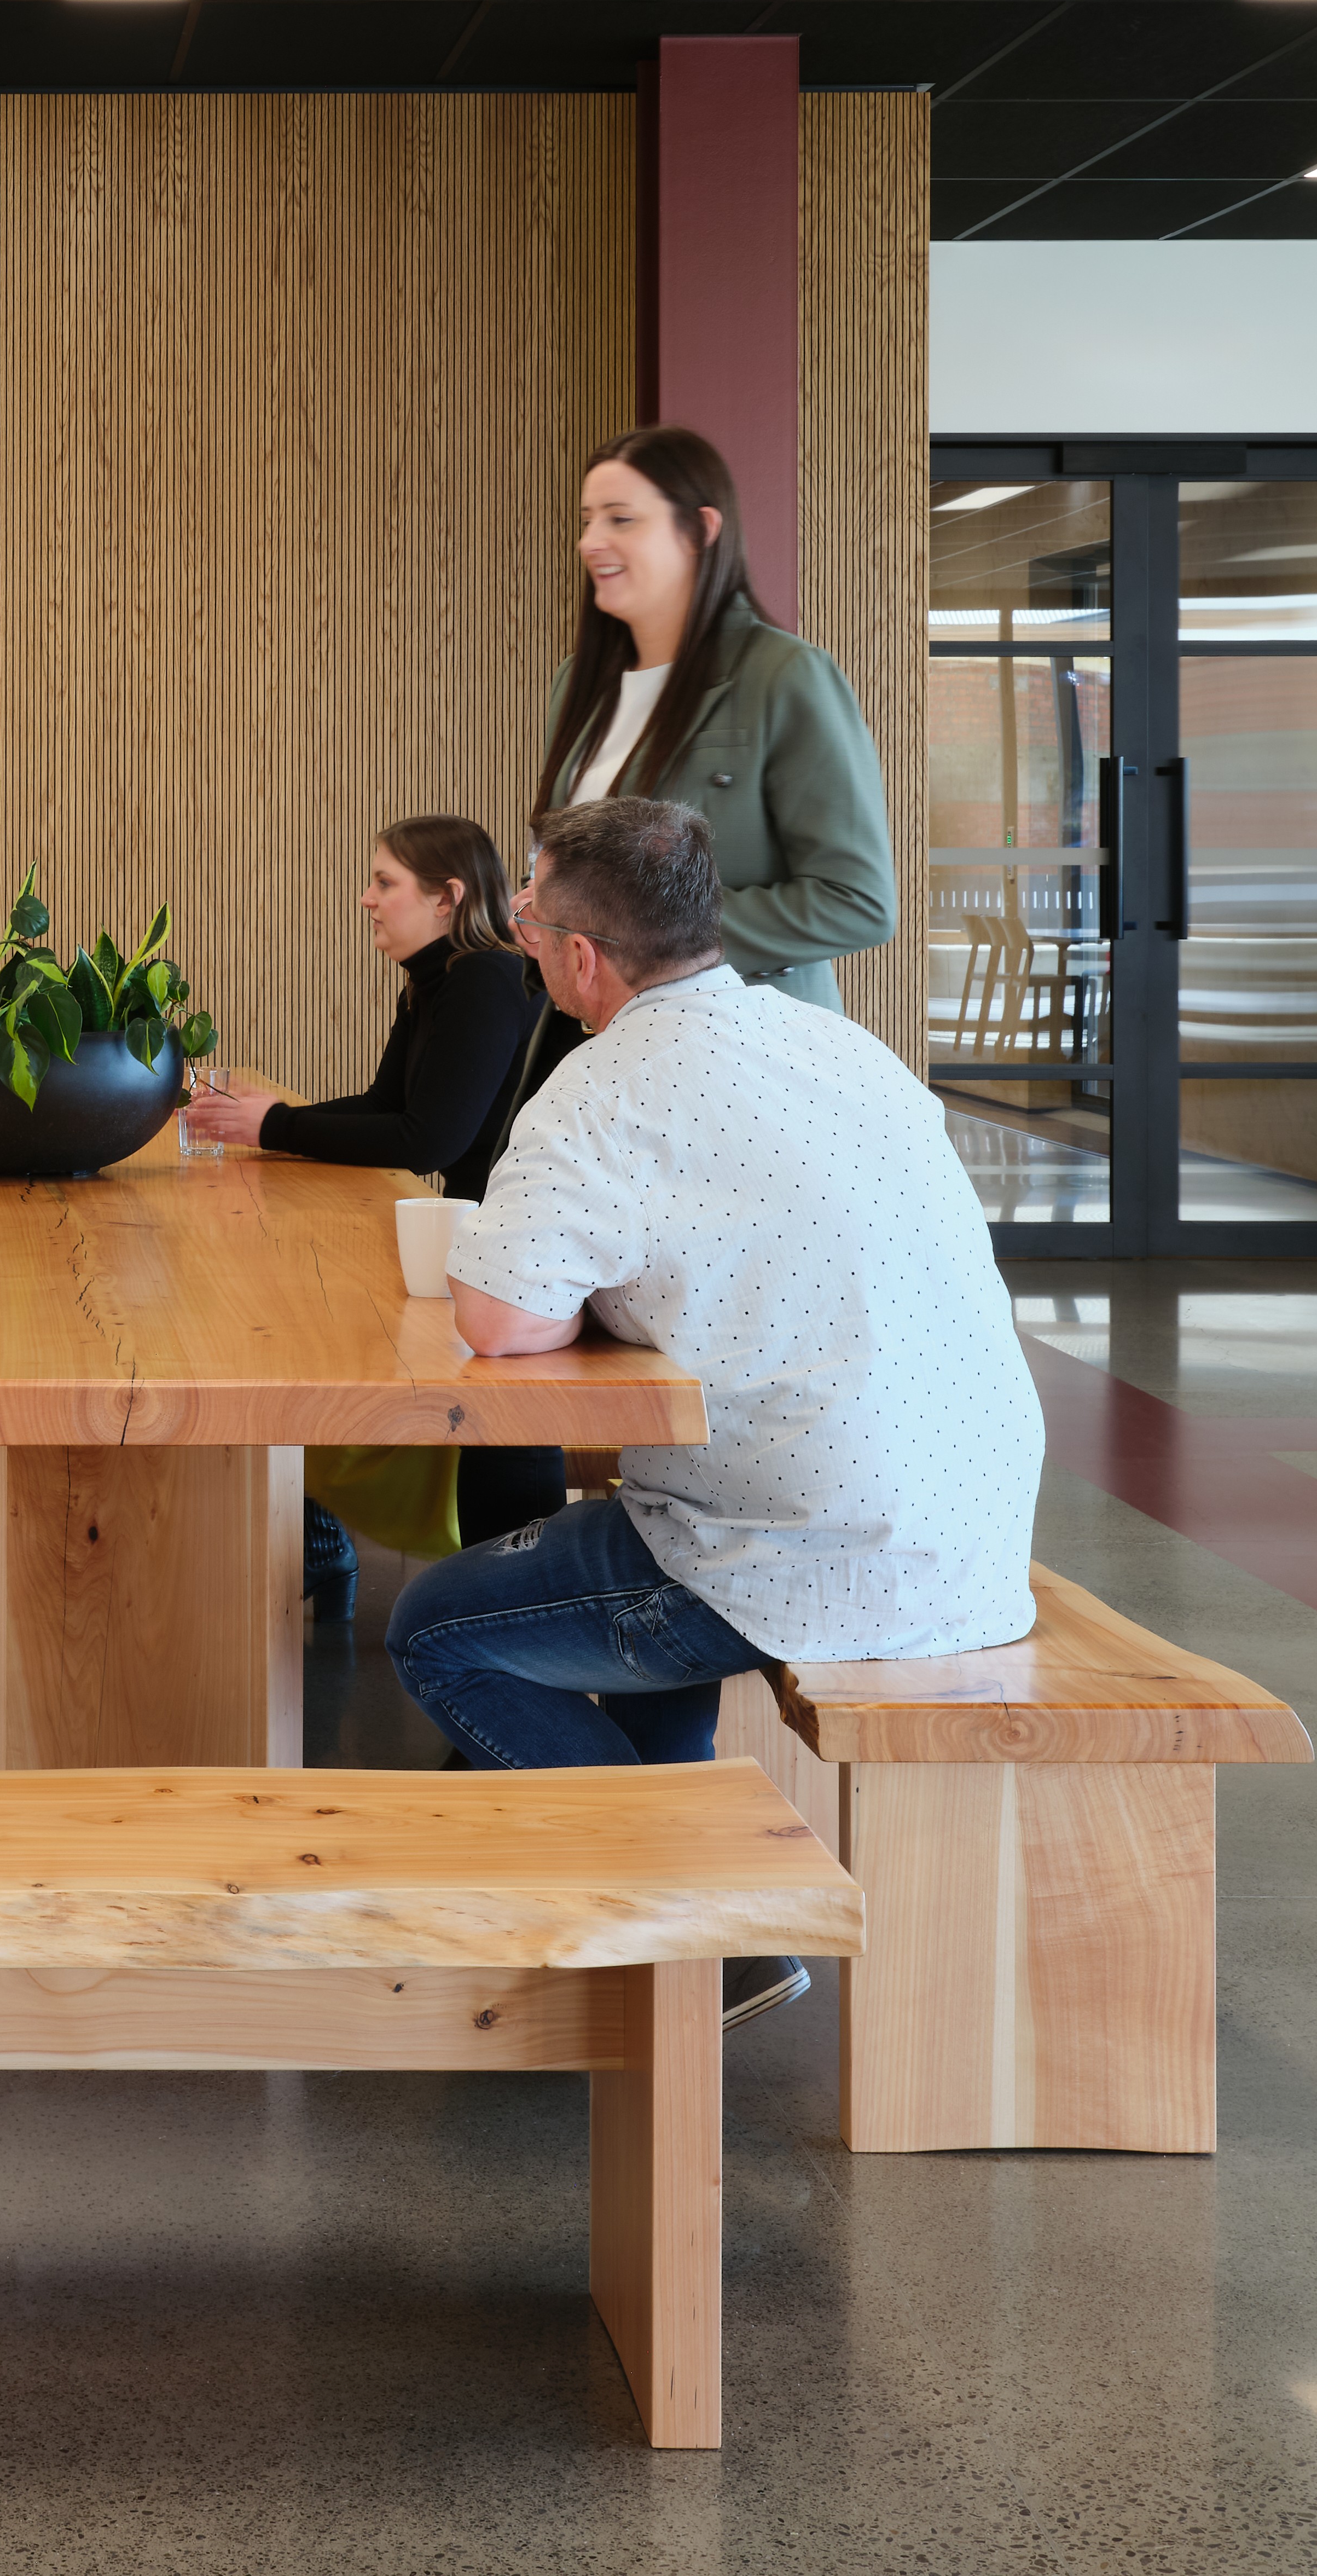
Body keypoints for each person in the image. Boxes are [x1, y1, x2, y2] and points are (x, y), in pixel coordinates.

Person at [388, 798, 1040, 2025]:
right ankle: (666, 1868)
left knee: (435, 1627)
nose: (518, 929)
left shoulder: (598, 1091)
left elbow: (499, 1322)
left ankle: (705, 1922)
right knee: (642, 1529)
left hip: (806, 1548)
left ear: (580, 958)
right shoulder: (840, 1045)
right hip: (977, 1524)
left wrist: (594, 1302)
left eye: (525, 910)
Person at [181, 815, 555, 1612]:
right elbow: (391, 1106)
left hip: (517, 1251)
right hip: (474, 1234)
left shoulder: (487, 978)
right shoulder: (438, 977)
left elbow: (430, 1135)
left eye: (385, 883)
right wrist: (276, 1115)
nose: (366, 900)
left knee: (320, 1325)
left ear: (448, 897)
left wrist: (275, 1126)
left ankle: (495, 1606)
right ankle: (330, 1541)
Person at [527, 425, 896, 1016]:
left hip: (741, 1052)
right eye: (587, 519)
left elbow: (856, 902)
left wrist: (656, 932)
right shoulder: (577, 683)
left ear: (701, 531)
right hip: (598, 1046)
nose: (591, 541)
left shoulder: (785, 675)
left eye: (621, 519)